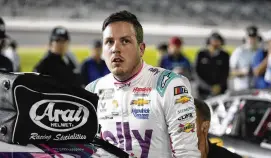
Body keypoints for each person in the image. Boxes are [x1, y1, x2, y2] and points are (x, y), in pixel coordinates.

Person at [85, 10, 200, 157]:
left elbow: (187, 153)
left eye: (125, 41)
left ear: (141, 49)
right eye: (109, 42)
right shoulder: (92, 90)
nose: (115, 49)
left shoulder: (170, 85)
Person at [195, 32, 229, 99]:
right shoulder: (201, 54)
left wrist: (219, 86)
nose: (215, 44)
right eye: (213, 41)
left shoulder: (225, 56)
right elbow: (196, 73)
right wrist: (209, 87)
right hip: (203, 92)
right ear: (209, 42)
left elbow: (226, 73)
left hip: (220, 91)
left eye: (217, 41)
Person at [230, 26, 262, 91]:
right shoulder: (239, 51)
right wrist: (244, 72)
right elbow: (232, 71)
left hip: (258, 88)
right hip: (241, 88)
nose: (252, 40)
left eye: (254, 38)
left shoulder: (261, 51)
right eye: (249, 38)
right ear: (245, 38)